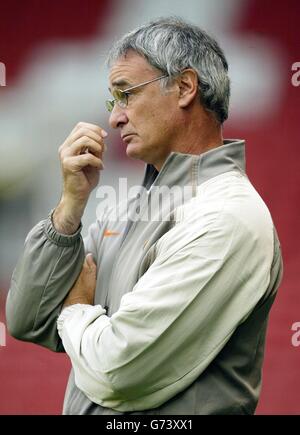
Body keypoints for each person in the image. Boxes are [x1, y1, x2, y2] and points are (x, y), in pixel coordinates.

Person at [6, 17, 283, 415]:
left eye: (127, 95)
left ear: (186, 87)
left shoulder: (227, 215)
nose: (115, 118)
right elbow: (28, 319)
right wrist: (69, 209)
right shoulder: (124, 209)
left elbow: (116, 373)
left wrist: (77, 310)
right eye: (112, 101)